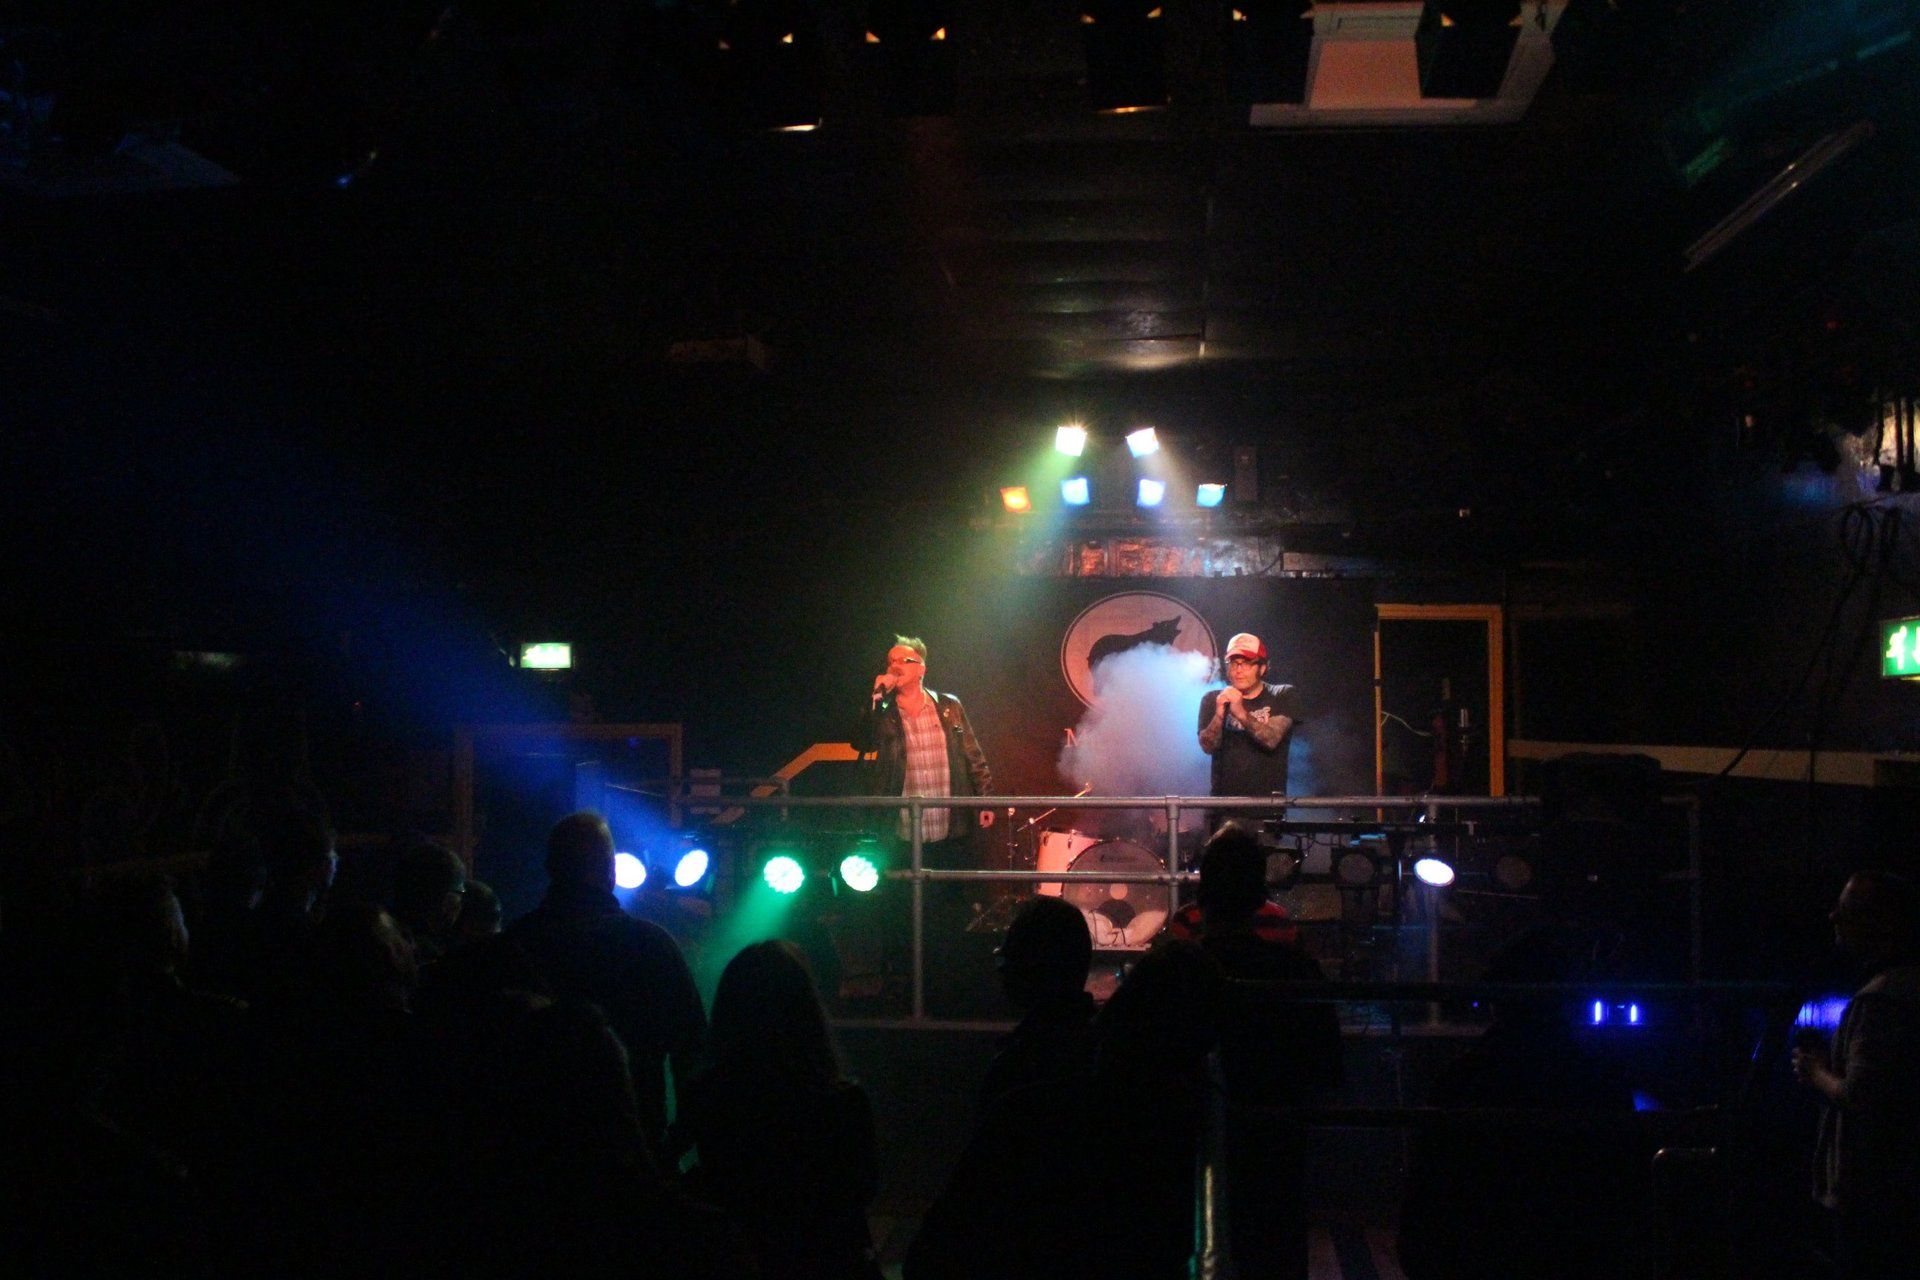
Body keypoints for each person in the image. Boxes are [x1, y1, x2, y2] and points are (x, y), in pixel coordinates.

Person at [505, 812, 708, 1158]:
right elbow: (694, 1057)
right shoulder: (651, 945)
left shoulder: (514, 946)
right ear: (611, 871)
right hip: (636, 1146)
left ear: (551, 867)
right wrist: (671, 1148)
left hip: (533, 1156)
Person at [679, 940, 883, 1280]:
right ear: (806, 1010)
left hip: (742, 1259)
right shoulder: (840, 1101)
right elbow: (862, 1190)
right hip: (829, 1262)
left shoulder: (710, 1094)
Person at [1791, 870, 1920, 1279]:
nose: (1833, 917)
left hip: (1874, 1195)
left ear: (1879, 922)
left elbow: (1862, 1095)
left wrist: (1816, 1074)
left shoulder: (1880, 1001)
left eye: (1847, 910)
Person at [852, 635, 994, 857]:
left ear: (921, 669)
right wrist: (875, 699)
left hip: (949, 829)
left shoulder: (949, 706)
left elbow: (972, 755)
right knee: (910, 888)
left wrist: (985, 801)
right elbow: (862, 743)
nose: (894, 666)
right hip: (904, 832)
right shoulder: (884, 712)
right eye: (891, 661)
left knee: (950, 886)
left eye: (903, 660)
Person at [981, 897, 1096, 1108]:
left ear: (1033, 965)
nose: (1002, 968)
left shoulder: (1014, 1068)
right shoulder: (1104, 1051)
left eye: (1009, 956)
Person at [1198, 634, 1300, 826]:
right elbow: (1207, 746)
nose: (1238, 670)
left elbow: (1271, 740)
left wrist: (1240, 713)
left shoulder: (1282, 695)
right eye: (1234, 663)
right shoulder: (1212, 699)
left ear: (1262, 667)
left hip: (1267, 812)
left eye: (1246, 663)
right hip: (1223, 812)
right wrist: (1220, 715)